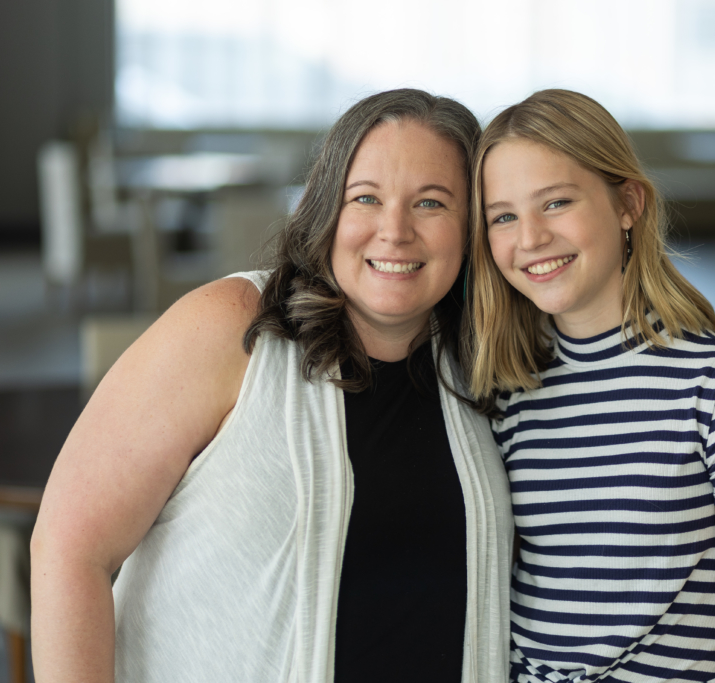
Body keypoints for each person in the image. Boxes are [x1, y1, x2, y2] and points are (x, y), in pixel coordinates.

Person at [30, 89, 514, 683]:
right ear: (324, 210)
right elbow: (70, 548)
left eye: (432, 203)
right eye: (365, 197)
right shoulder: (236, 325)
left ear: (472, 228)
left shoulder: (485, 369)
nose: (395, 230)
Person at [464, 90, 715, 683]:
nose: (530, 238)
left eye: (557, 202)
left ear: (628, 203)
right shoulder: (504, 398)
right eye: (504, 216)